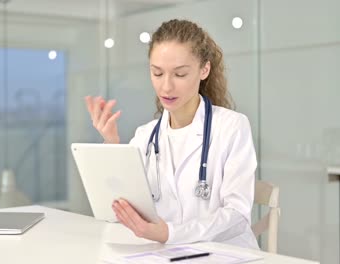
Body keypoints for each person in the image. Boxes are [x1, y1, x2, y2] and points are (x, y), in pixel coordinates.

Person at [84, 19, 259, 249]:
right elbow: (115, 213)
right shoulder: (145, 135)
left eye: (180, 74)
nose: (166, 87)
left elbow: (237, 215)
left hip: (224, 254)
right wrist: (111, 144)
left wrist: (170, 233)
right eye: (157, 73)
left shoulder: (232, 127)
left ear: (204, 69)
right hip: (166, 254)